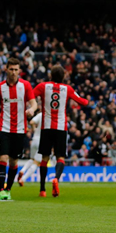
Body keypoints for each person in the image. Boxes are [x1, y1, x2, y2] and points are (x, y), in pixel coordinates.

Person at [0, 58, 37, 200]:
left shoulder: (25, 86)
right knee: (3, 156)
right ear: (6, 69)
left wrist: (32, 109)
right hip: (4, 127)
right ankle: (1, 189)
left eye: (16, 69)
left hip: (20, 129)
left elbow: (34, 103)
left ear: (19, 71)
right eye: (11, 69)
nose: (13, 72)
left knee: (14, 161)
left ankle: (8, 188)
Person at [33, 65, 88, 197]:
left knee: (44, 158)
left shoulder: (43, 86)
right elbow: (83, 102)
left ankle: (42, 190)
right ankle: (56, 178)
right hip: (60, 128)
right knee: (60, 157)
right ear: (63, 76)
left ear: (51, 75)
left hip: (46, 127)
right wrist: (85, 100)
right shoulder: (67, 89)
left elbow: (30, 96)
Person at [17, 112, 43, 187]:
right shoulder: (50, 116)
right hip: (41, 141)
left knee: (32, 159)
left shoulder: (40, 114)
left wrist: (34, 129)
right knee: (36, 162)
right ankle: (23, 179)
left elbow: (31, 122)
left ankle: (22, 170)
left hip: (34, 139)